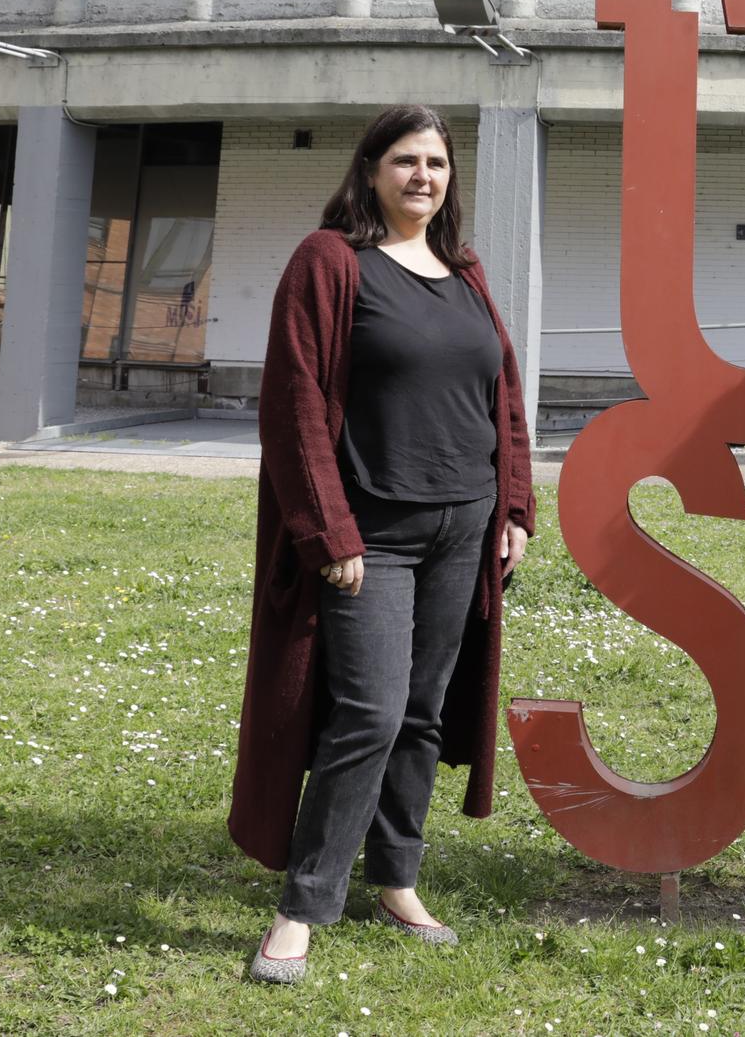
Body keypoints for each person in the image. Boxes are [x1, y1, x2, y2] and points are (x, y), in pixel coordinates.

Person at [228, 105, 536, 984]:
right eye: (405, 161)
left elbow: (502, 396)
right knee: (367, 709)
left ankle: (396, 876)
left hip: (462, 525)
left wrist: (513, 504)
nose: (423, 177)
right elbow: (291, 408)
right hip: (374, 534)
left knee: (423, 711)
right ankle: (302, 906)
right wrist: (328, 529)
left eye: (437, 163)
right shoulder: (330, 262)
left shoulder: (463, 268)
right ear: (370, 171)